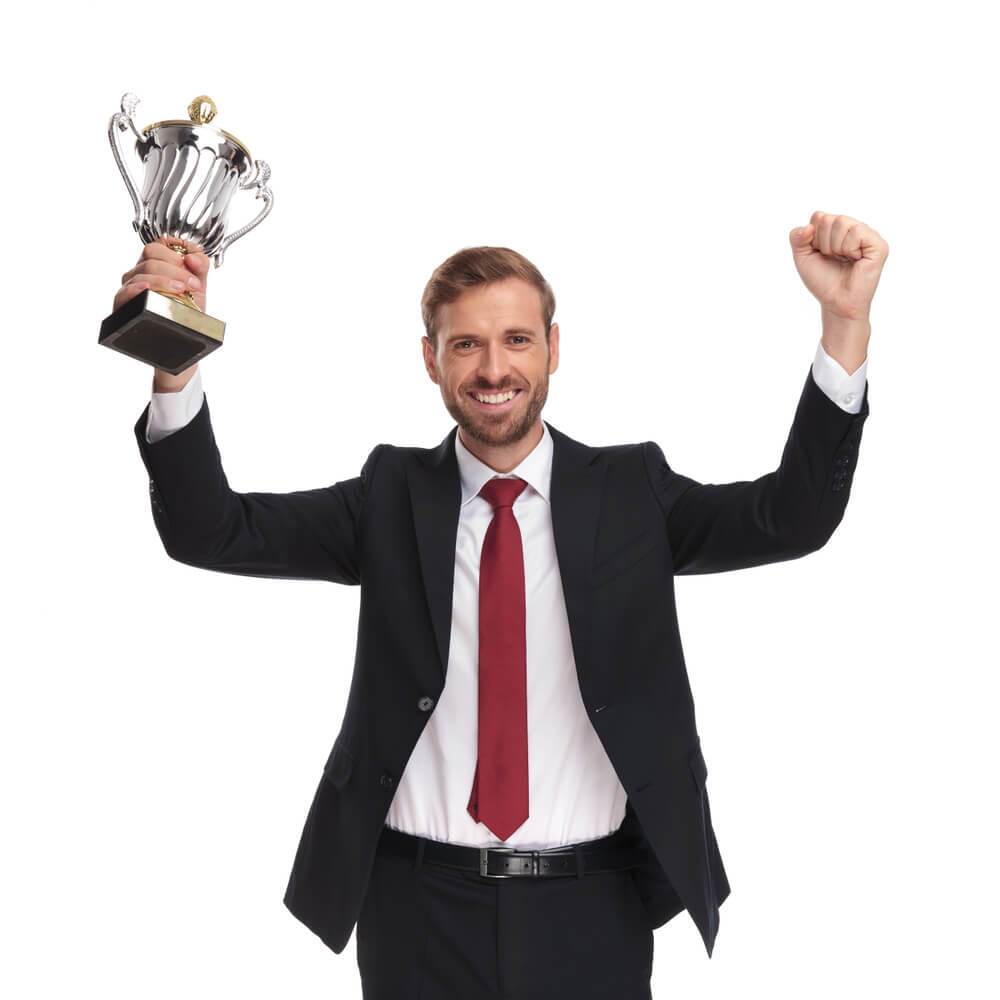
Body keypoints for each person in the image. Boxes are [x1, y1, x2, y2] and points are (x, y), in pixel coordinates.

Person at [119, 212, 886, 999]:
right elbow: (211, 532)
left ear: (555, 348)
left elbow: (791, 519)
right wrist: (172, 360)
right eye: (466, 344)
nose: (493, 369)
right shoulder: (389, 497)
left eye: (517, 340)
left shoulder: (633, 494)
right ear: (430, 359)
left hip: (593, 905)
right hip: (416, 906)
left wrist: (844, 324)